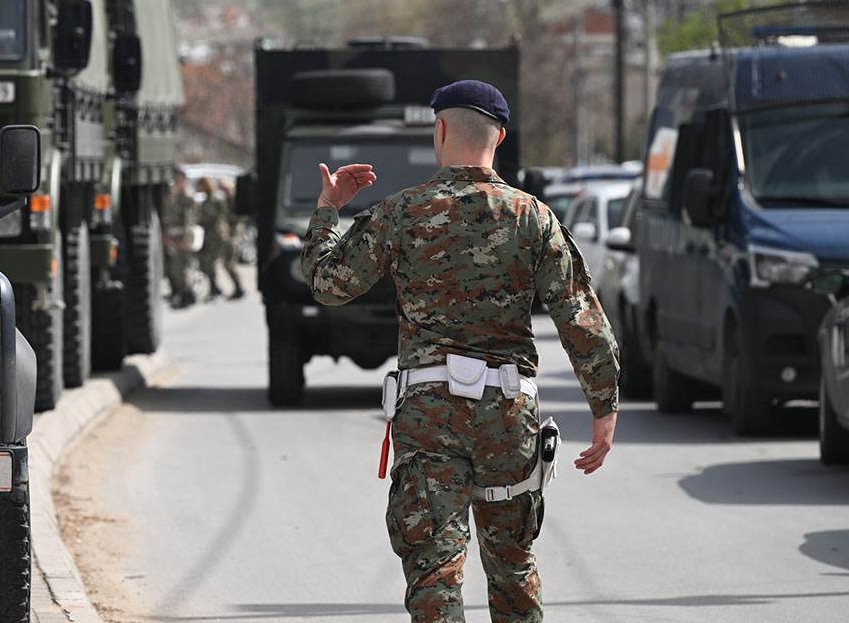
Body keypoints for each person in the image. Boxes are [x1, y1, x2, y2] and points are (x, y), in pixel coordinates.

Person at [300, 80, 620, 623]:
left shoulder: (402, 213)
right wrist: (604, 408)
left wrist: (329, 208)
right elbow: (580, 318)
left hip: (429, 417)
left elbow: (329, 284)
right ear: (500, 136)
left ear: (440, 129)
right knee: (513, 568)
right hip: (507, 417)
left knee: (434, 571)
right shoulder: (532, 217)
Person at [195, 176, 243, 301]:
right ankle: (215, 288)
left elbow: (222, 216)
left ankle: (235, 287)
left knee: (222, 262)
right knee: (207, 262)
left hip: (218, 235)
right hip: (210, 235)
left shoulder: (217, 200)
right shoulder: (206, 200)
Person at [163, 167, 197, 308]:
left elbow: (189, 220)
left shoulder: (187, 196)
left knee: (182, 268)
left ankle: (187, 294)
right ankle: (179, 293)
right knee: (173, 269)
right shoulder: (171, 195)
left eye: (179, 179)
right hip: (172, 238)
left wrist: (186, 240)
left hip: (182, 238)